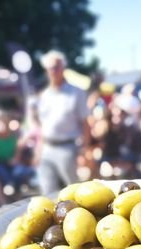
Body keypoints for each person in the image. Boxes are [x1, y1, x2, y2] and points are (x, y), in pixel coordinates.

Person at [36, 50, 90, 195]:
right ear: (46, 70)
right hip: (46, 148)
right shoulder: (45, 95)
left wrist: (85, 151)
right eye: (51, 67)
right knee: (47, 191)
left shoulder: (76, 92)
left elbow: (85, 123)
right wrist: (38, 149)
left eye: (57, 66)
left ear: (63, 68)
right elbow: (43, 126)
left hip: (68, 148)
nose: (54, 70)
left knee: (73, 191)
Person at [0, 109, 35, 197]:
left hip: (11, 162)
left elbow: (18, 146)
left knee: (23, 172)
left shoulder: (13, 132)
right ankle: (6, 195)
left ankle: (17, 192)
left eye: (3, 119)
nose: (1, 122)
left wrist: (16, 158)